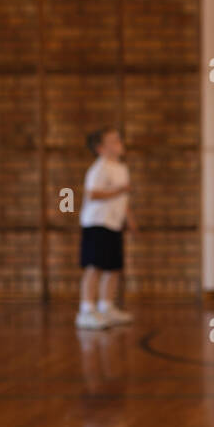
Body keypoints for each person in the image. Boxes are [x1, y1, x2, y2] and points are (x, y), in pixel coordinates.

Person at [76, 128, 134, 330]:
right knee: (94, 266)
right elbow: (93, 194)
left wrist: (129, 217)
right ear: (101, 148)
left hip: (114, 224)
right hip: (97, 223)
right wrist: (118, 190)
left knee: (113, 267)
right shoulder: (99, 169)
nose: (119, 142)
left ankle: (106, 306)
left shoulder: (121, 168)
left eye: (119, 138)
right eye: (113, 140)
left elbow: (122, 198)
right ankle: (86, 309)